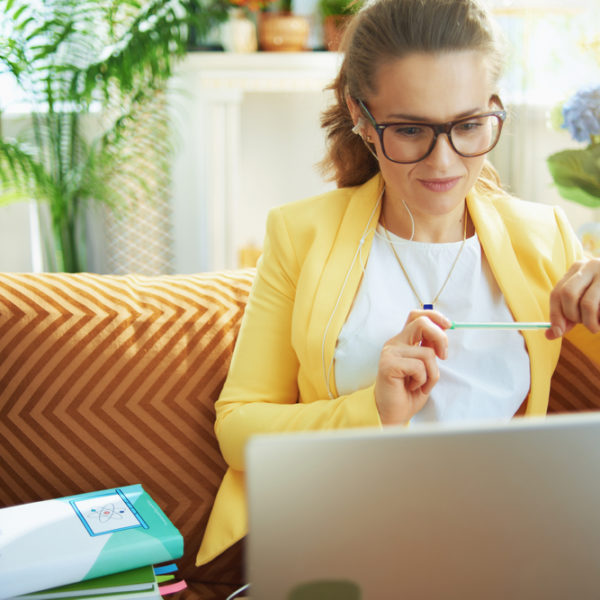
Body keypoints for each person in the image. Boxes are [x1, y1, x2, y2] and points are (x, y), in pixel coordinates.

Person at [196, 0, 600, 566]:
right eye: (410, 130)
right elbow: (238, 427)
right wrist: (374, 413)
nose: (443, 162)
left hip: (501, 548)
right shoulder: (300, 233)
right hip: (343, 541)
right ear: (360, 116)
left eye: (467, 126)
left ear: (493, 109)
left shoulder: (545, 237)